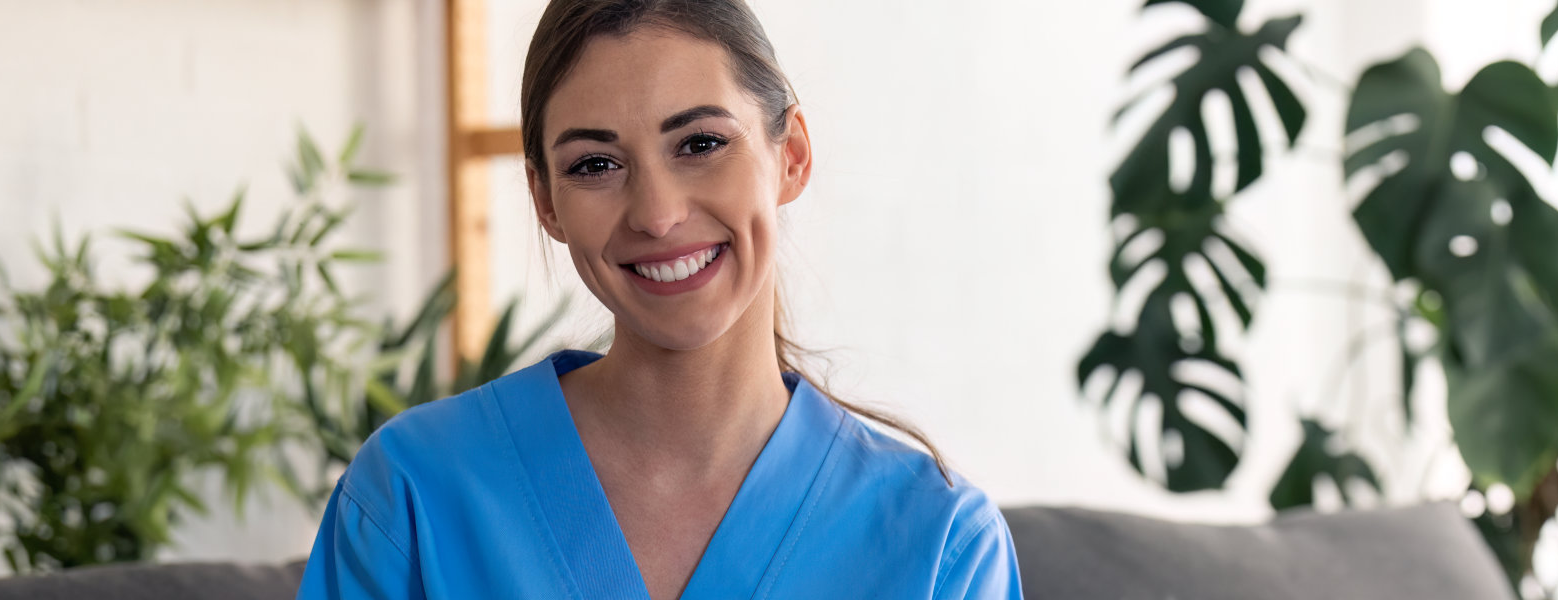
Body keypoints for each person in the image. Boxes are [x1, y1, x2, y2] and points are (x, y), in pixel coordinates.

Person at [294, 1, 1024, 598]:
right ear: (545, 202)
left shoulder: (940, 548)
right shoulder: (414, 496)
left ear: (790, 154)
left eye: (700, 144)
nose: (657, 213)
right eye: (596, 164)